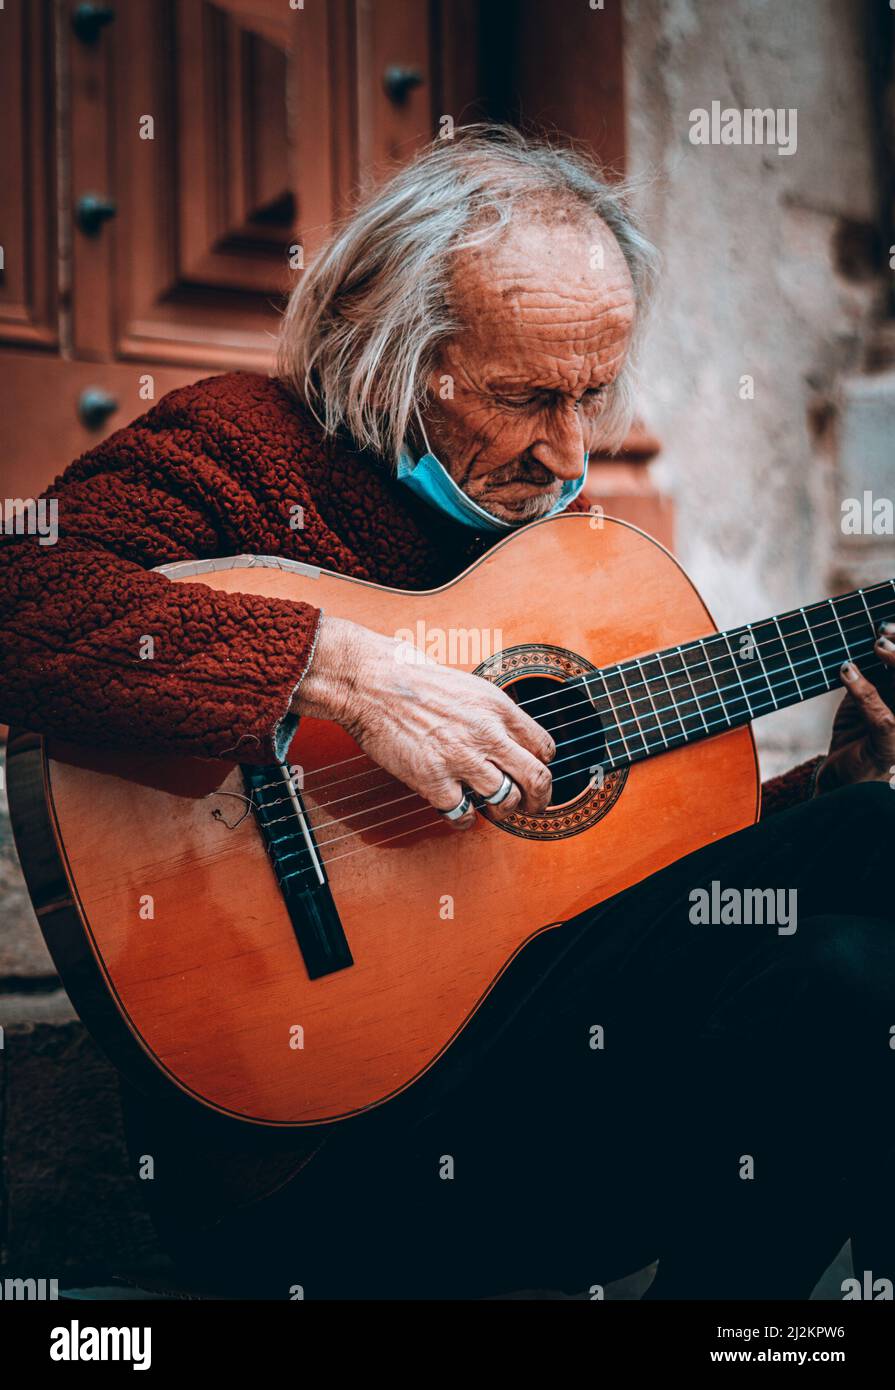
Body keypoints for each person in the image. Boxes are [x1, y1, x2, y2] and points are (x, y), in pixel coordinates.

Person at [2, 126, 894, 1300]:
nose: (569, 449)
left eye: (593, 394)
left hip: (543, 1120)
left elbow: (632, 887)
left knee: (848, 962)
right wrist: (336, 671)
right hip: (311, 1171)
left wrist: (820, 794)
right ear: (393, 350)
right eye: (527, 396)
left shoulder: (566, 554)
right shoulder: (241, 447)